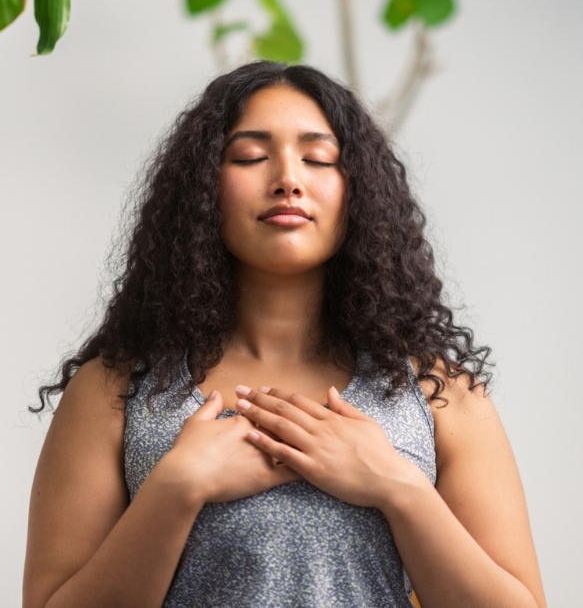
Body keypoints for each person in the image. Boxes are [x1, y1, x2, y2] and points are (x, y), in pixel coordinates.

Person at [23, 60, 547, 608]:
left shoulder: (440, 392)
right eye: (250, 156)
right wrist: (175, 489)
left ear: (359, 190)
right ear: (202, 189)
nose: (288, 180)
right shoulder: (112, 390)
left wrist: (398, 486)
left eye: (318, 158)